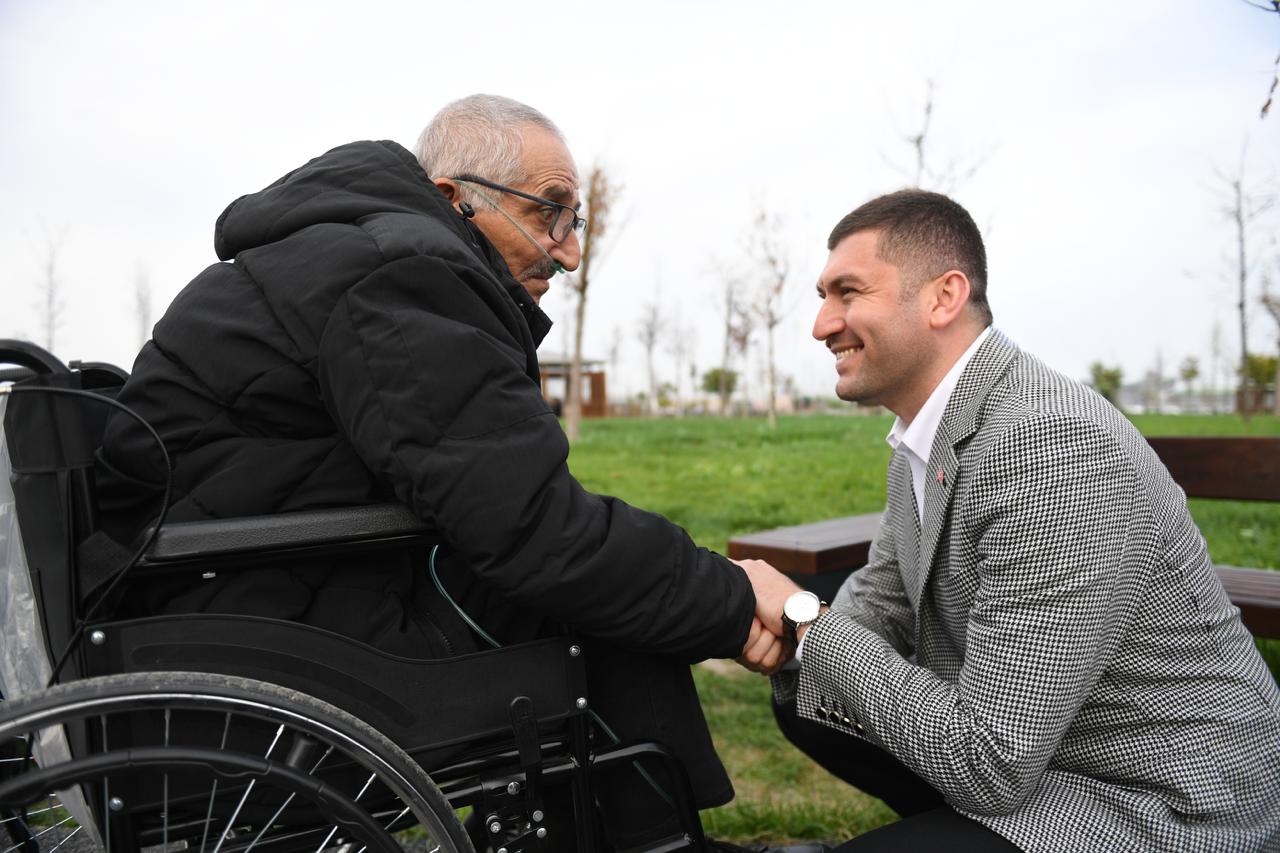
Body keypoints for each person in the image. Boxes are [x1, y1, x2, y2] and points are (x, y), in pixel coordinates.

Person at [94, 94, 763, 849]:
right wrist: (737, 600)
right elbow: (536, 529)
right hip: (252, 622)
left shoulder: (353, 248)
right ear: (455, 198)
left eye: (575, 221)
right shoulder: (400, 269)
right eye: (552, 211)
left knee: (598, 580)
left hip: (224, 593)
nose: (570, 251)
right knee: (588, 599)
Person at [737, 189, 1280, 851]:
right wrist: (788, 639)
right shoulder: (924, 436)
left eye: (847, 293)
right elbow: (877, 604)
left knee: (831, 671)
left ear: (943, 296)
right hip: (1038, 756)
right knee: (805, 697)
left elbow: (990, 760)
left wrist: (802, 618)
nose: (822, 324)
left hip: (1162, 797)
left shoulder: (1052, 446)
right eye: (822, 296)